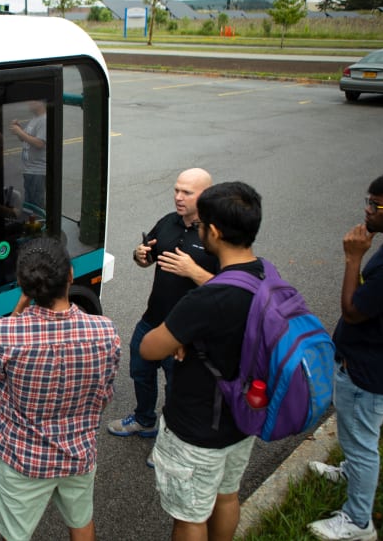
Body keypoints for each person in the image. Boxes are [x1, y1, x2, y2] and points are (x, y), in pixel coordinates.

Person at [140, 181, 263, 541]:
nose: (199, 229)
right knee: (226, 496)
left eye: (203, 224)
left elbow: (150, 348)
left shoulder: (208, 298)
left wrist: (181, 337)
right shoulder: (265, 275)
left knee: (189, 517)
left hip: (198, 427)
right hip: (242, 418)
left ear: (216, 232)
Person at [0, 237, 120, 541]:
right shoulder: (105, 332)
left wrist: (19, 309)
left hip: (22, 457)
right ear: (70, 275)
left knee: (14, 535)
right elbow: (104, 396)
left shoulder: (1, 333)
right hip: (79, 453)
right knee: (81, 523)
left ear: (23, 284)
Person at [306, 171, 383, 541]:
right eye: (369, 201)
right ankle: (350, 470)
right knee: (355, 435)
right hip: (366, 363)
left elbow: (352, 311)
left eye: (377, 205)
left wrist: (352, 258)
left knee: (363, 444)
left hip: (370, 372)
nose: (368, 210)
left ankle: (358, 522)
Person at [107, 168, 218, 447]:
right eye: (176, 190)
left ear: (205, 195)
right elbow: (146, 258)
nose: (178, 197)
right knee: (140, 371)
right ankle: (144, 420)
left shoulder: (216, 234)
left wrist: (193, 271)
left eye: (187, 192)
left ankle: (169, 442)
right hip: (152, 319)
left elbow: (232, 287)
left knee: (177, 387)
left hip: (186, 332)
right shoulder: (169, 221)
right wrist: (140, 255)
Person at [9, 100, 47, 209]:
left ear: (40, 103)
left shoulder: (44, 120)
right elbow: (23, 138)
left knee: (36, 205)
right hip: (29, 170)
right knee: (30, 204)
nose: (29, 104)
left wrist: (19, 132)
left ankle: (40, 219)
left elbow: (40, 143)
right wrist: (19, 129)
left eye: (32, 101)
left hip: (37, 171)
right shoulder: (35, 119)